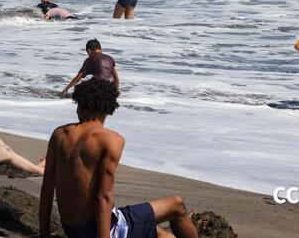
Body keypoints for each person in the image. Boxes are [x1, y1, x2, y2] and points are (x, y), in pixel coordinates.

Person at [39, 78, 199, 238]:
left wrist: (44, 234)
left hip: (73, 229)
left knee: (157, 232)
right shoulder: (110, 140)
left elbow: (47, 189)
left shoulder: (59, 134)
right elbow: (103, 197)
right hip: (100, 230)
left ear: (80, 104)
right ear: (108, 109)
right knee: (177, 205)